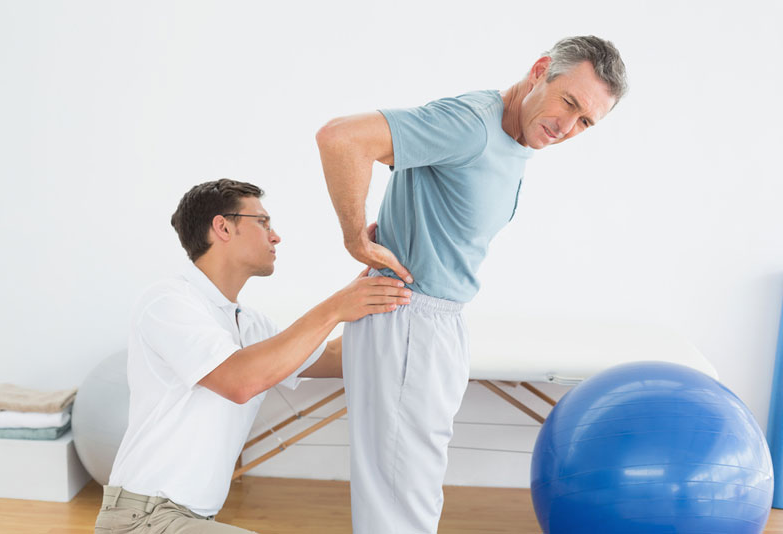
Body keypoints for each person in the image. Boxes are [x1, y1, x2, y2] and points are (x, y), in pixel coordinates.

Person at [315, 35, 628, 533]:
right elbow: (341, 137)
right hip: (407, 319)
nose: (567, 127)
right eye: (568, 102)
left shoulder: (515, 138)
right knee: (400, 497)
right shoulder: (471, 124)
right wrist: (357, 239)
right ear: (540, 70)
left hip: (439, 322)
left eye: (585, 122)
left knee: (408, 490)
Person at [94, 179, 412, 533]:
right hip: (144, 518)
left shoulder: (250, 324)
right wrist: (335, 307)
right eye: (263, 222)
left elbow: (336, 357)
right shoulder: (168, 302)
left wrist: (378, 278)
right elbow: (238, 381)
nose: (275, 236)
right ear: (223, 227)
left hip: (191, 520)